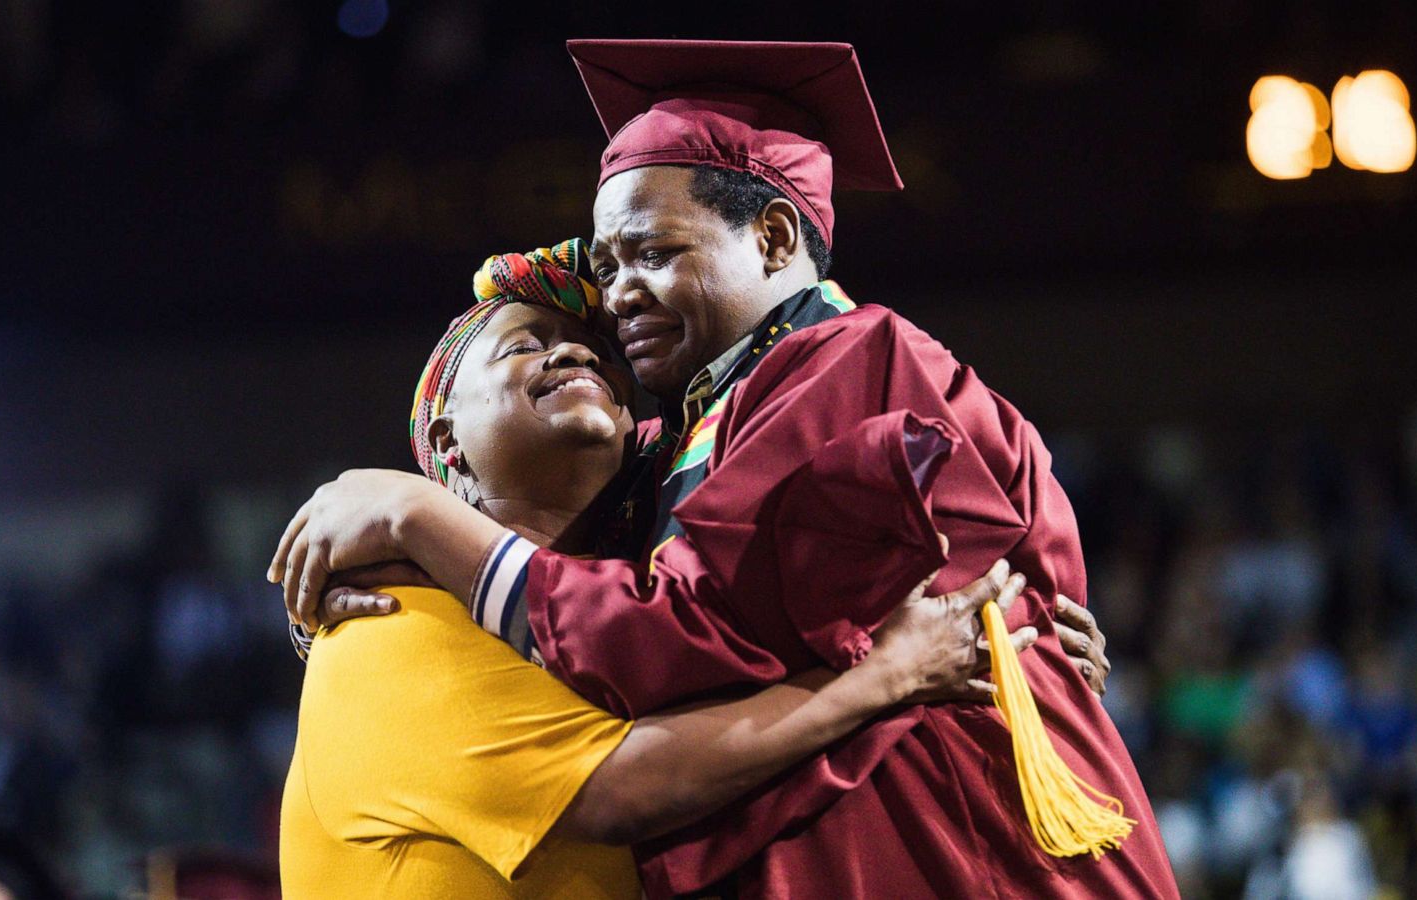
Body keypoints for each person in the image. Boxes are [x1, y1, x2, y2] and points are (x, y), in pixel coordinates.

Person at [273, 41, 1174, 897]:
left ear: (776, 239)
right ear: (445, 442)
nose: (616, 297)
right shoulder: (706, 426)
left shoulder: (854, 364)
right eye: (609, 263)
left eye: (652, 253)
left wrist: (414, 520)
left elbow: (688, 636)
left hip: (953, 853)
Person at [278, 245, 1049, 898]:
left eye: (602, 360)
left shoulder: (626, 623)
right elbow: (632, 789)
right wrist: (889, 673)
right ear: (446, 443)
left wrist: (1017, 630)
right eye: (523, 346)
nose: (578, 353)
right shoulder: (393, 624)